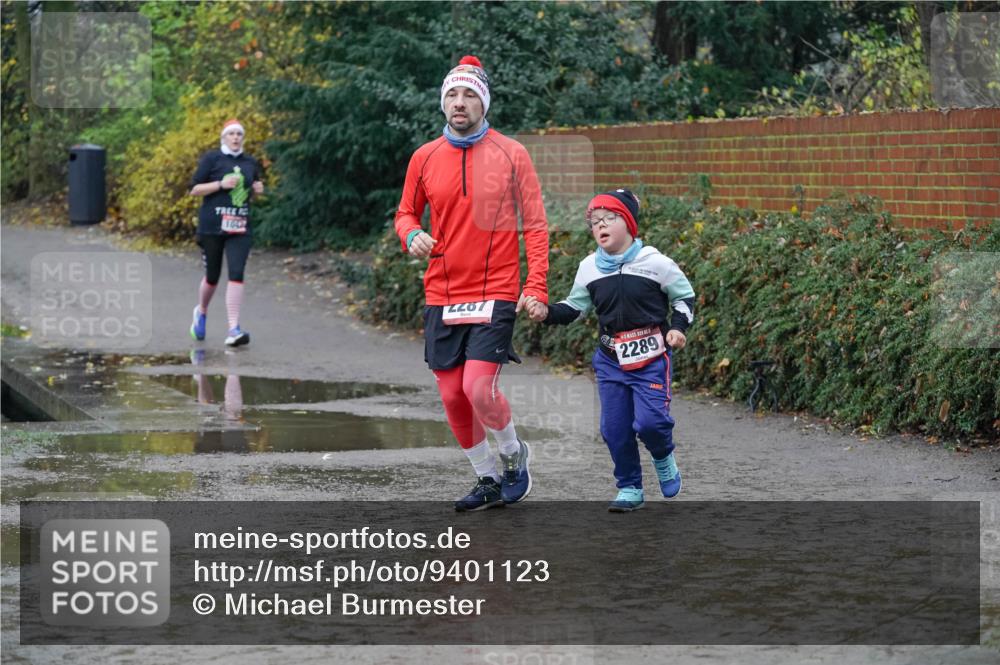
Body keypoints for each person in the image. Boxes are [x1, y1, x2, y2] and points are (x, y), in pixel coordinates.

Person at [394, 55, 549, 512]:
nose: (459, 103)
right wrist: (411, 233)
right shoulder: (423, 157)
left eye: (468, 95)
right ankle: (485, 478)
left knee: (479, 388)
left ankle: (512, 457)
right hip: (442, 292)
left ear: (484, 103)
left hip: (495, 289)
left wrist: (535, 284)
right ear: (443, 102)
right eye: (451, 95)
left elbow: (536, 226)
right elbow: (404, 212)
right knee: (450, 393)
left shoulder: (511, 153)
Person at [524, 189, 695, 512]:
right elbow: (575, 307)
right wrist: (546, 312)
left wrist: (677, 329)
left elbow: (684, 298)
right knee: (614, 429)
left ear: (629, 224)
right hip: (610, 360)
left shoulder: (656, 263)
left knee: (651, 424)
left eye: (609, 219)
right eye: (594, 222)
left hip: (651, 359)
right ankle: (630, 487)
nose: (600, 226)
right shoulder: (589, 267)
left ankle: (662, 456)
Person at [188, 118, 264, 347]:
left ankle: (233, 329)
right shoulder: (212, 159)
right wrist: (220, 184)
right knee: (212, 277)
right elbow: (194, 189)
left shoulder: (250, 162)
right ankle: (201, 311)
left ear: (243, 138)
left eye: (239, 134)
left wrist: (258, 189)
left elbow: (254, 185)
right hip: (212, 226)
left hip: (240, 227)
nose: (235, 138)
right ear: (224, 137)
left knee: (237, 272)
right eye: (231, 134)